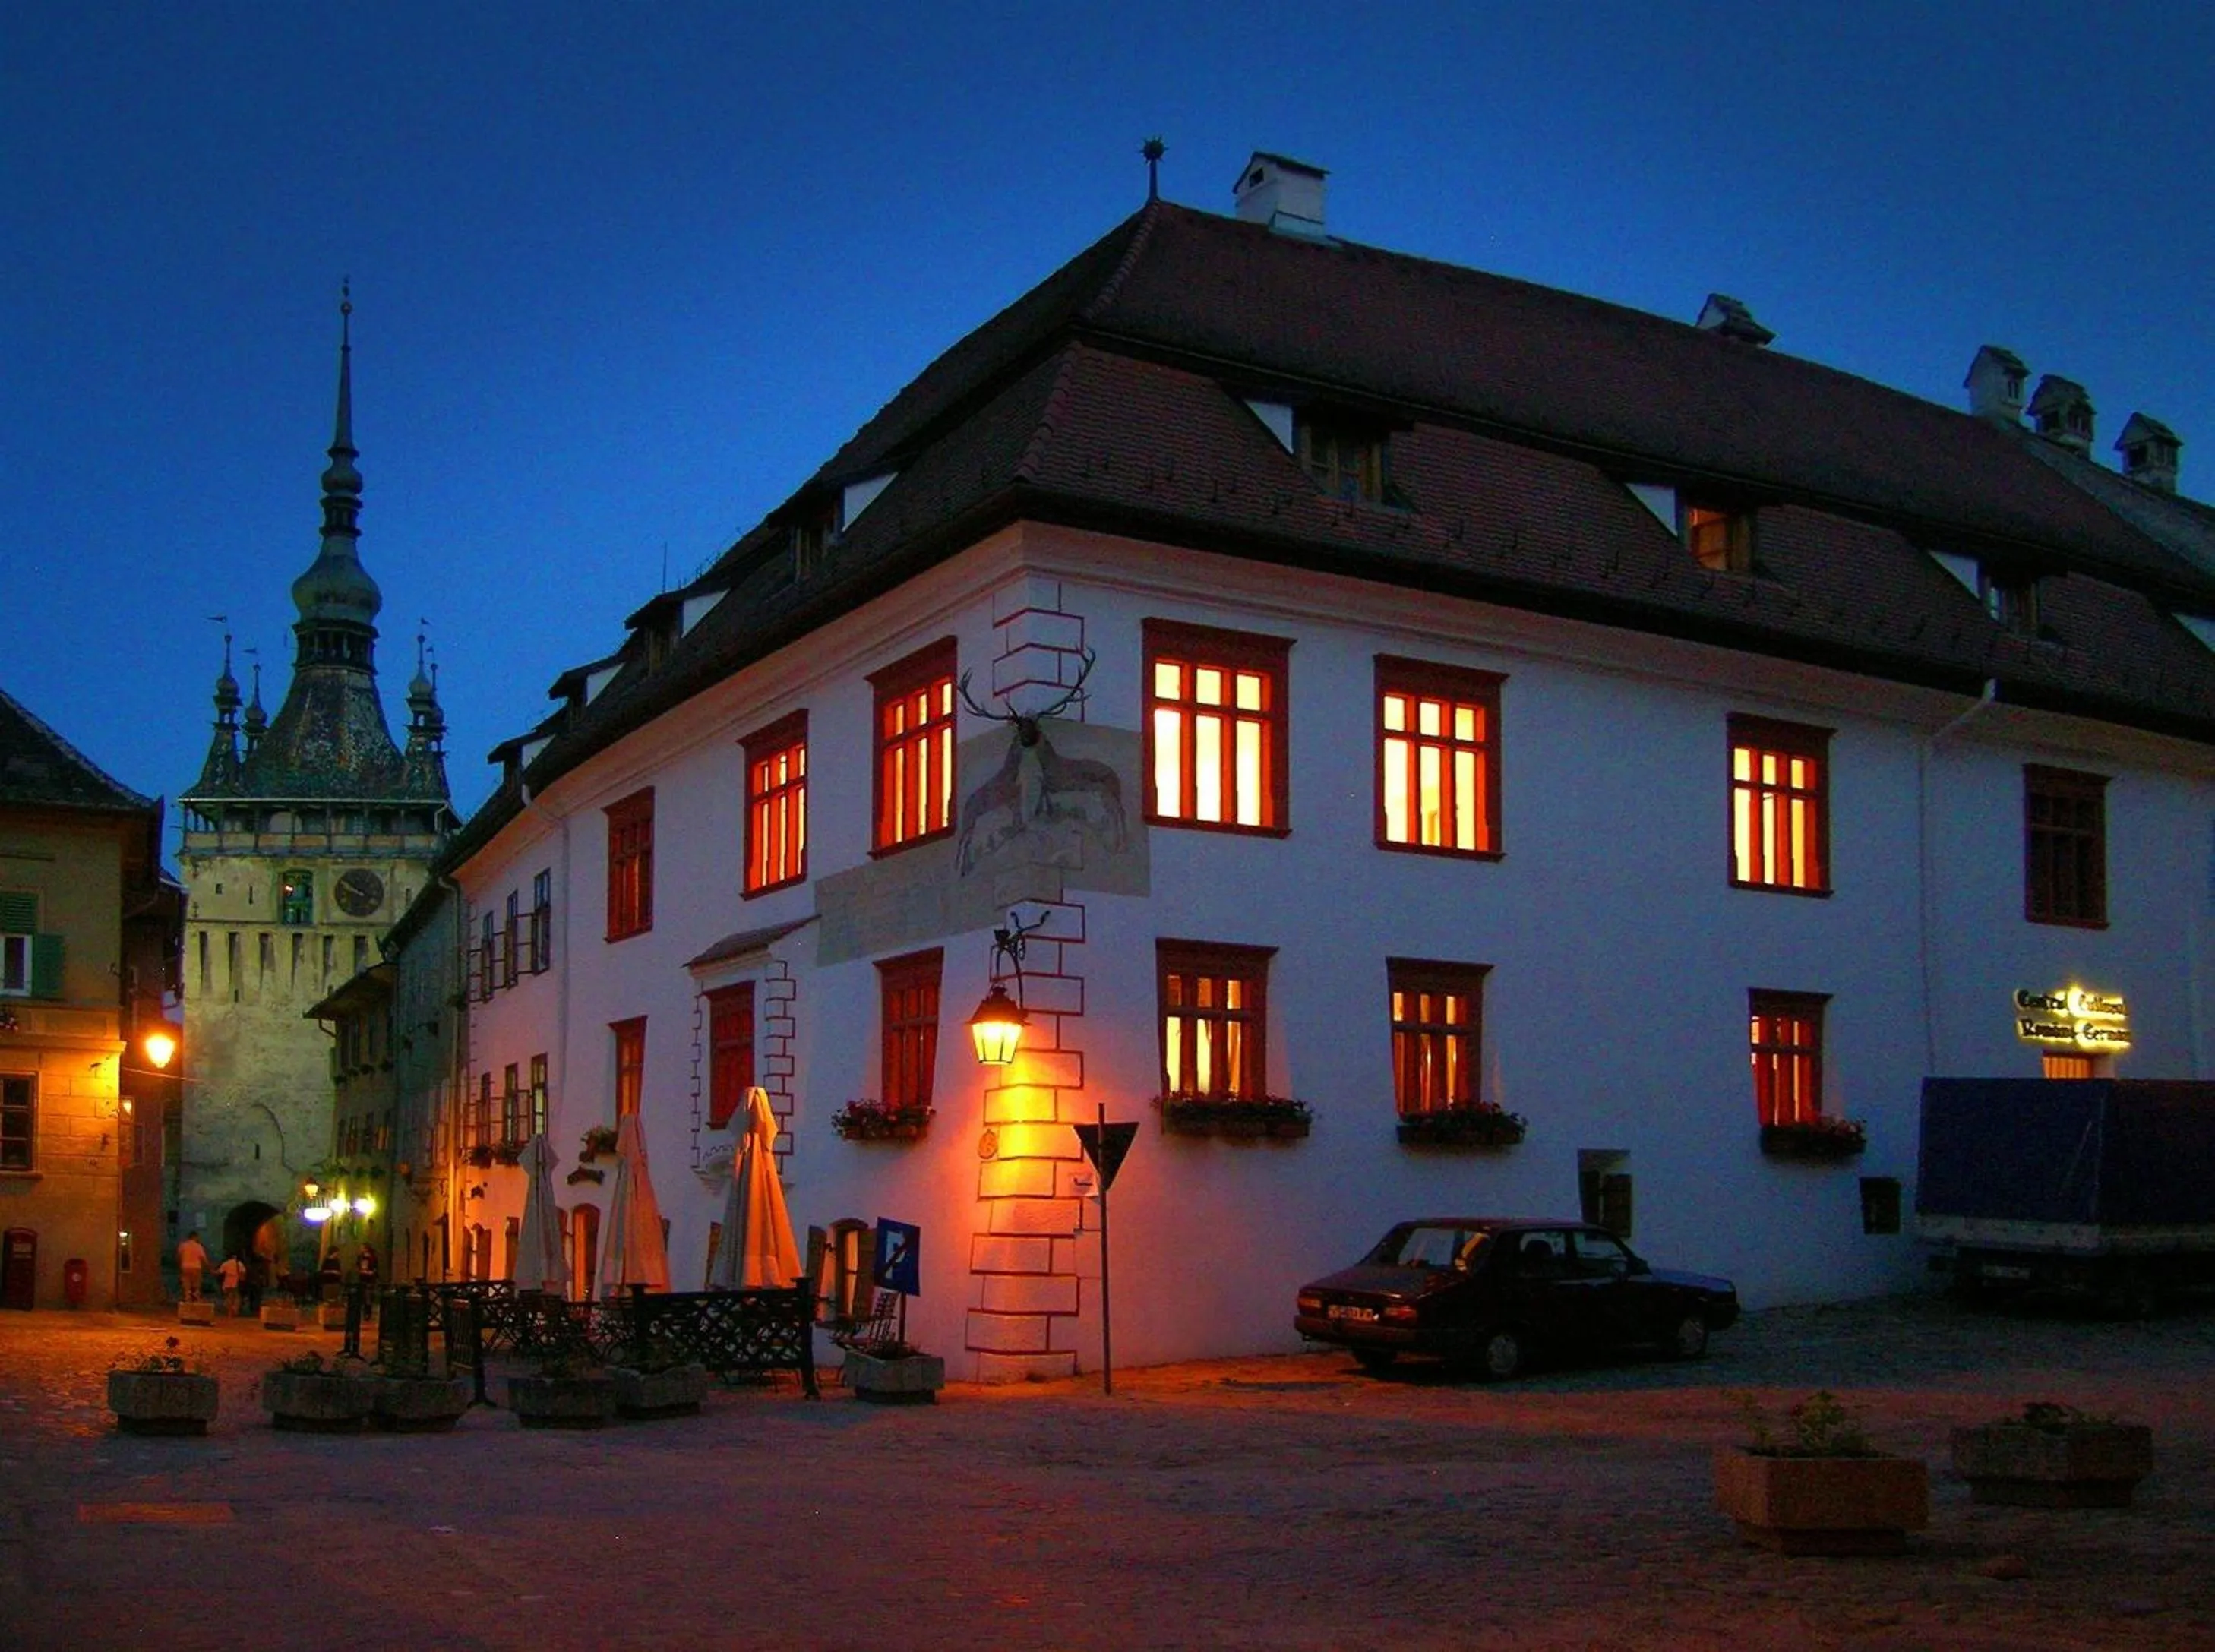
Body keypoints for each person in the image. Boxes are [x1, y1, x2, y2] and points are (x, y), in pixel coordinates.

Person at [175, 1232, 210, 1303]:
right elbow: (203, 1258)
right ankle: (196, 1295)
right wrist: (208, 1267)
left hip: (185, 1266)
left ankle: (187, 1296)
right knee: (196, 1283)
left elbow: (178, 1256)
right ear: (195, 1237)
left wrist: (179, 1265)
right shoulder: (198, 1246)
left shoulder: (183, 1245)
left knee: (186, 1282)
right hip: (196, 1267)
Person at [216, 1252, 245, 1316]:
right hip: (235, 1280)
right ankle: (234, 1309)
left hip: (227, 1280)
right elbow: (243, 1272)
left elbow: (220, 1272)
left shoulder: (226, 1263)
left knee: (228, 1295)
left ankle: (229, 1310)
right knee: (236, 1295)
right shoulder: (239, 1263)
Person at [242, 1252, 267, 1316]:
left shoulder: (249, 1267)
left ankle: (253, 1309)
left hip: (251, 1283)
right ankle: (256, 1309)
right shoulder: (260, 1267)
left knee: (252, 1296)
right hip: (257, 1283)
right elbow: (262, 1275)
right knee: (257, 1296)